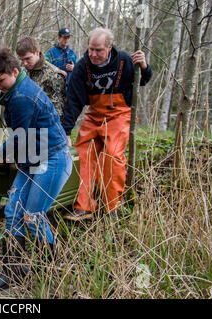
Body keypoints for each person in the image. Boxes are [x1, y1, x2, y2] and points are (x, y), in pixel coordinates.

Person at [0, 47, 72, 291]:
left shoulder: (22, 97)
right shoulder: (13, 91)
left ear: (15, 71)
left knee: (32, 216)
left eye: (1, 80)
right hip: (32, 159)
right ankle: (12, 272)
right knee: (13, 211)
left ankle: (50, 270)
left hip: (52, 159)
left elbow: (21, 138)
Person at [61, 28, 153, 221]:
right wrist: (66, 131)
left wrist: (144, 66)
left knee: (112, 155)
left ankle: (112, 207)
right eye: (90, 49)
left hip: (119, 114)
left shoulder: (125, 60)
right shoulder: (82, 66)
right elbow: (74, 101)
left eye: (99, 50)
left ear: (109, 47)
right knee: (82, 154)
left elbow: (143, 80)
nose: (93, 54)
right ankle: (83, 206)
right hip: (94, 115)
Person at [0, 37, 67, 117]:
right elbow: (6, 92)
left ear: (37, 52)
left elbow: (57, 112)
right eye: (22, 60)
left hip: (44, 127)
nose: (25, 63)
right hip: (23, 122)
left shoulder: (54, 75)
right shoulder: (22, 72)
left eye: (28, 59)